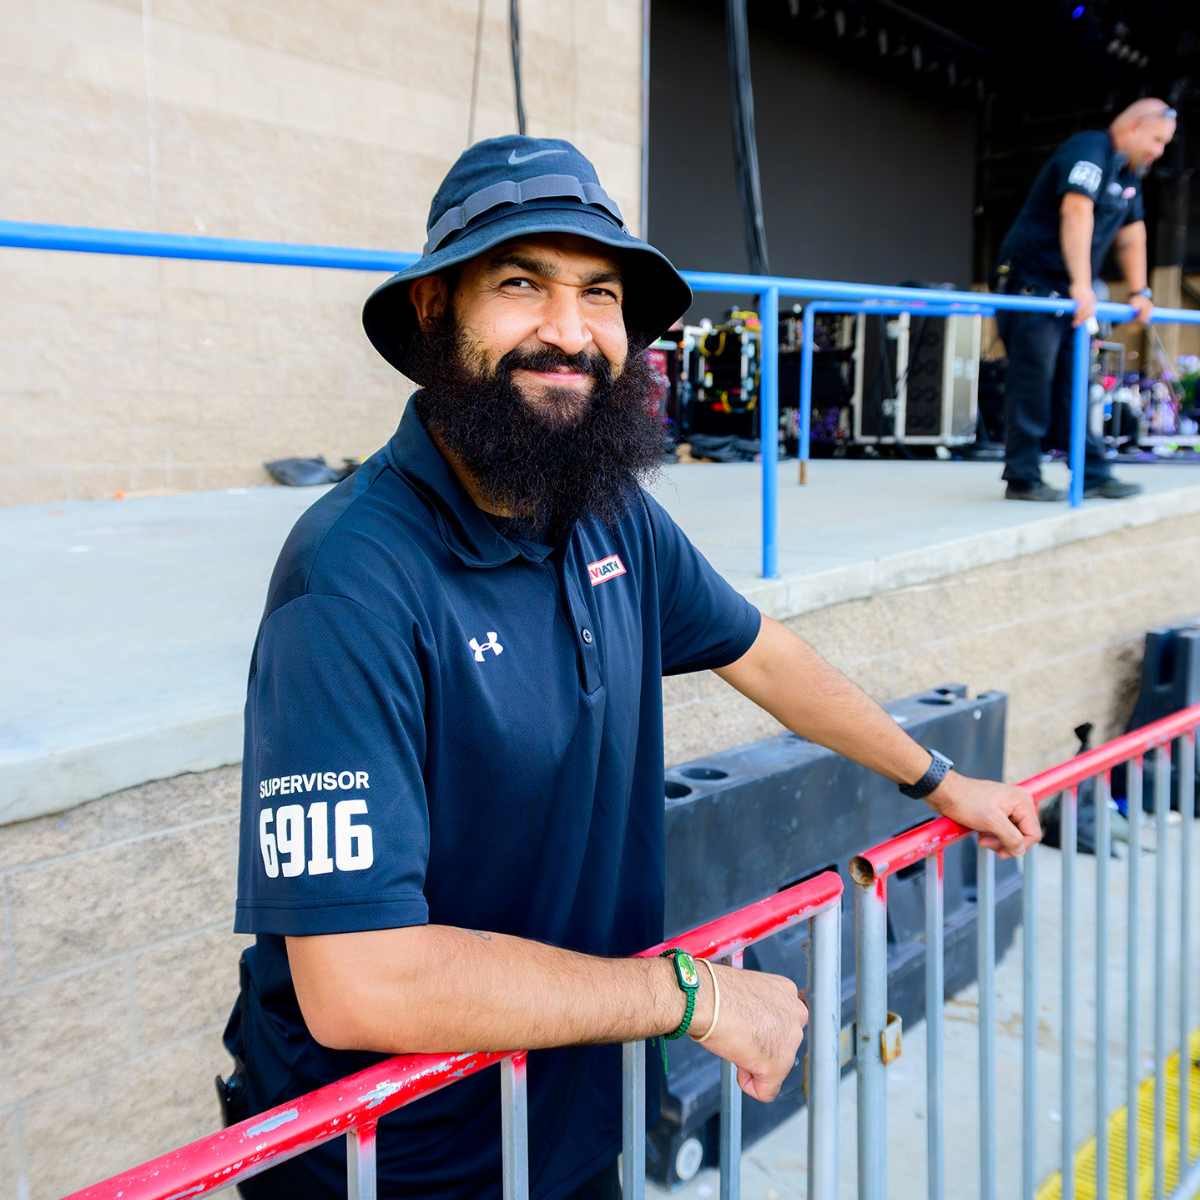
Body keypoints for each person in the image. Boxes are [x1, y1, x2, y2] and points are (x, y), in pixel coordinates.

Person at [224, 135, 1041, 1200]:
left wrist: (938, 779)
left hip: (565, 1122)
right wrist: (693, 998)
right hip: (392, 1164)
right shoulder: (350, 581)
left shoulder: (608, 512)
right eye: (521, 284)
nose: (568, 331)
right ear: (434, 310)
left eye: (599, 292)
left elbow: (764, 653)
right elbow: (362, 985)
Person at [994, 98, 1176, 501]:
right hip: (1034, 284)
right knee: (1033, 381)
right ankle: (1022, 477)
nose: (1159, 151)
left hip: (1070, 293)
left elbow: (1133, 235)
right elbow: (1076, 210)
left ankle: (1092, 472)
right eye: (1157, 139)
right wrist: (1083, 283)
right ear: (1133, 127)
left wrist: (1139, 291)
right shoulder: (1090, 149)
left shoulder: (1130, 174)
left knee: (1074, 384)